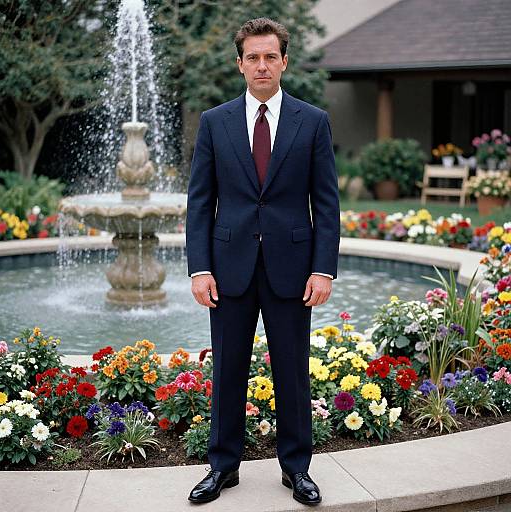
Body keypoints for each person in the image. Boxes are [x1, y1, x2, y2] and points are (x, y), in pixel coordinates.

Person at [185, 17, 340, 506]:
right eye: (252, 56)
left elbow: (327, 202)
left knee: (292, 371)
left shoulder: (312, 121)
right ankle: (222, 468)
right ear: (239, 64)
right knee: (227, 369)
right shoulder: (214, 122)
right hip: (227, 268)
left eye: (270, 56)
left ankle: (297, 470)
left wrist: (323, 268)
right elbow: (199, 201)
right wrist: (200, 267)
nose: (261, 65)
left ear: (284, 61)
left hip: (293, 270)